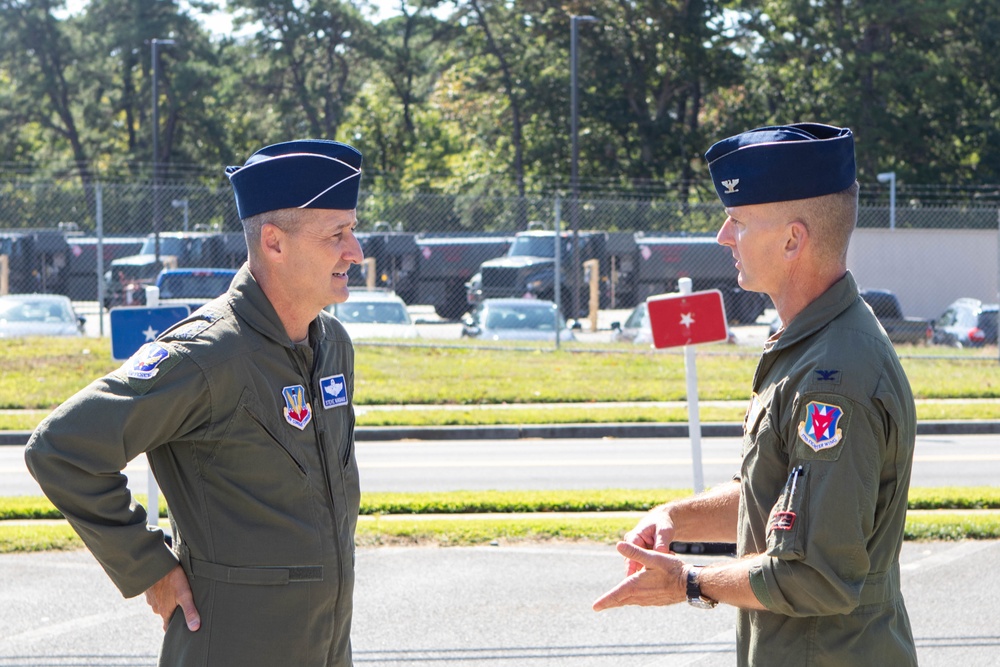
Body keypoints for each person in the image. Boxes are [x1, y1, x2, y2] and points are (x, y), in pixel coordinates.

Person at [25, 139, 366, 666]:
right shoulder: (209, 356)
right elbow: (61, 449)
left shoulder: (332, 345)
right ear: (273, 242)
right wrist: (148, 568)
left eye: (353, 230)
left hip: (325, 647)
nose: (356, 252)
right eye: (336, 235)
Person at [593, 123, 918, 666]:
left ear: (793, 239)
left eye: (739, 221)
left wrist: (690, 582)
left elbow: (817, 577)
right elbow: (784, 502)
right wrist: (680, 516)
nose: (723, 236)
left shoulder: (830, 379)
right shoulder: (816, 344)